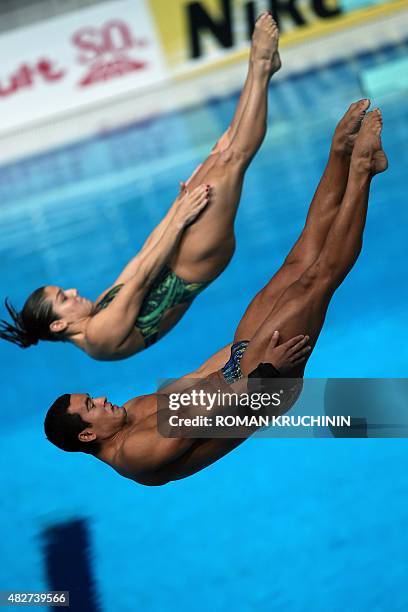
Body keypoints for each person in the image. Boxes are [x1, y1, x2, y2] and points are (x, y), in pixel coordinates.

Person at [44, 108, 388, 485]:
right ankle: (363, 171)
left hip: (242, 363)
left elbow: (197, 381)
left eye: (91, 396)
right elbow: (216, 415)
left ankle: (340, 154)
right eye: (92, 406)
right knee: (317, 279)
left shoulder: (128, 413)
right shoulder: (136, 455)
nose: (103, 400)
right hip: (261, 387)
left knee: (297, 263)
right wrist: (267, 370)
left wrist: (241, 346)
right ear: (88, 434)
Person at [0, 13, 281, 360]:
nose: (72, 291)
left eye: (64, 290)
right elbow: (144, 279)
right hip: (193, 265)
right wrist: (179, 220)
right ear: (58, 326)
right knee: (232, 160)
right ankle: (262, 64)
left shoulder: (95, 312)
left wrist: (175, 209)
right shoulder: (99, 338)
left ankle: (262, 67)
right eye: (63, 299)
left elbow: (141, 258)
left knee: (220, 152)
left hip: (178, 252)